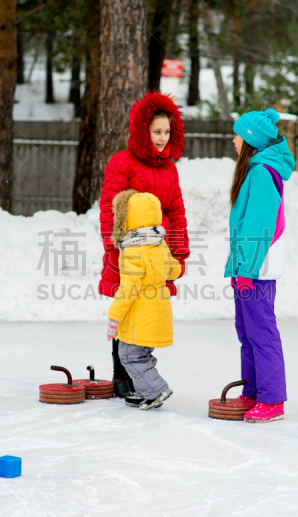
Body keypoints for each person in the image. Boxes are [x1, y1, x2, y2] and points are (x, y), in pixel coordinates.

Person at [99, 92, 190, 401]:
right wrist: (116, 247)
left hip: (158, 255)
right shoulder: (121, 162)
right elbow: (110, 209)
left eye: (167, 132)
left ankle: (142, 380)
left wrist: (178, 254)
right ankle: (120, 378)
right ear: (143, 131)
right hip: (127, 253)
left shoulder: (170, 169)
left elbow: (177, 213)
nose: (162, 139)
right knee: (125, 311)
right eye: (156, 132)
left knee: (145, 314)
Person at [225, 109, 295, 423]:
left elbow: (257, 227)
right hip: (249, 268)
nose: (233, 140)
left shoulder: (262, 173)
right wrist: (236, 267)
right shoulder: (255, 170)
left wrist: (246, 270)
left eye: (237, 134)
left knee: (261, 332)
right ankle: (253, 390)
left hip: (258, 271)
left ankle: (272, 399)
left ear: (250, 140)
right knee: (247, 331)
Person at [106, 190, 181, 410]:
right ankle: (144, 390)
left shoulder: (133, 250)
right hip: (158, 310)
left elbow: (128, 289)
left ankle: (156, 390)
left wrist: (114, 316)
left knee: (128, 355)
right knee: (142, 354)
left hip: (140, 315)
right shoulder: (159, 243)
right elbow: (173, 270)